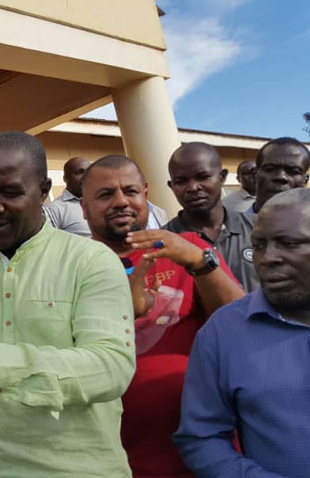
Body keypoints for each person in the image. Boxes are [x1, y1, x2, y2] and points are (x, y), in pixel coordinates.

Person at [0, 132, 136, 477]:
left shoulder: (92, 260)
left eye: (10, 193)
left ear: (44, 192)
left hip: (84, 470)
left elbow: (111, 366)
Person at [80, 154, 245, 478]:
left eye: (130, 191)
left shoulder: (187, 247)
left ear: (145, 194)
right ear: (83, 208)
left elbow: (241, 326)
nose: (120, 202)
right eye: (105, 195)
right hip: (113, 457)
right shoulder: (71, 266)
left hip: (205, 453)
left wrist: (198, 261)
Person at [174, 188, 310, 478]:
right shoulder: (223, 332)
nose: (268, 258)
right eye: (259, 245)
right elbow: (201, 438)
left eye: (289, 243)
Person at [164, 142, 258, 291]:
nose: (193, 187)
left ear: (222, 177)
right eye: (181, 181)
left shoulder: (258, 228)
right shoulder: (165, 243)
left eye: (203, 177)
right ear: (171, 186)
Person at [245, 137, 310, 222]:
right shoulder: (225, 230)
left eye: (293, 171)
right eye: (270, 169)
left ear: (305, 181)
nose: (281, 177)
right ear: (255, 175)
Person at [45, 156, 91, 236]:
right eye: (79, 172)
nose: (85, 177)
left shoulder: (101, 203)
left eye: (88, 173)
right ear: (65, 178)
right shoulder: (56, 209)